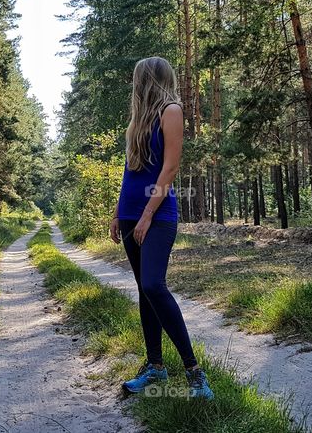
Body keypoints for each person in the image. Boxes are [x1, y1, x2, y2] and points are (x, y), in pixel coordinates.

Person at [109, 56, 214, 401]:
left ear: (150, 79)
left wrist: (147, 214)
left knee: (154, 284)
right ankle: (155, 366)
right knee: (143, 289)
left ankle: (195, 374)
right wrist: (117, 213)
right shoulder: (138, 119)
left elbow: (169, 170)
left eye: (138, 78)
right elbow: (130, 171)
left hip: (157, 214)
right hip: (130, 213)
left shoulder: (171, 111)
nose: (134, 84)